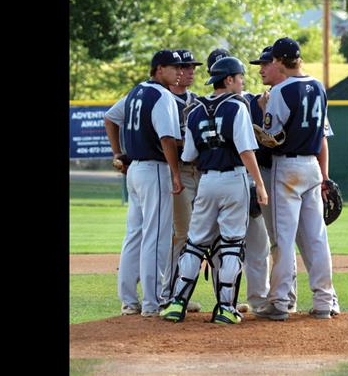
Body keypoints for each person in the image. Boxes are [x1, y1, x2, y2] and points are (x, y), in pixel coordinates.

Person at [160, 56, 268, 324]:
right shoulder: (237, 107)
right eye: (240, 77)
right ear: (229, 79)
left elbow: (189, 155)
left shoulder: (195, 110)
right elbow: (245, 151)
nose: (243, 82)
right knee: (231, 244)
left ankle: (176, 304)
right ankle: (225, 308)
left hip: (206, 180)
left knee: (195, 243)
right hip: (234, 179)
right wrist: (261, 185)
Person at [249, 46, 340, 316]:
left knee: (284, 239)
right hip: (311, 166)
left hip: (286, 167)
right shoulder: (319, 86)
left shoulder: (280, 91)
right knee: (316, 238)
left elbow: (271, 136)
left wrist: (264, 110)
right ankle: (325, 301)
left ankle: (279, 301)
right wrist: (324, 178)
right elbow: (322, 135)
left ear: (279, 61)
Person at [104, 49, 184, 317]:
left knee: (135, 235)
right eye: (174, 67)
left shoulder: (137, 91)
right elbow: (167, 139)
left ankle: (128, 300)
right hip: (155, 170)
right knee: (157, 236)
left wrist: (118, 153)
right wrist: (175, 173)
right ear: (159, 69)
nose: (179, 72)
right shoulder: (162, 95)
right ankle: (153, 302)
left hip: (135, 170)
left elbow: (110, 117)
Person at [205, 48, 269, 313]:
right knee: (225, 246)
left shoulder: (253, 100)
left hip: (244, 179)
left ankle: (258, 299)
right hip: (235, 180)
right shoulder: (206, 106)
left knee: (256, 243)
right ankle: (227, 300)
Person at [161, 49, 203, 313]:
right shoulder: (163, 99)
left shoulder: (198, 101)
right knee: (182, 236)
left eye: (192, 67)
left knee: (205, 237)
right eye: (184, 67)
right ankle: (170, 294)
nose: (189, 71)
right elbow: (164, 138)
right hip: (177, 171)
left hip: (201, 173)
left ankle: (182, 294)